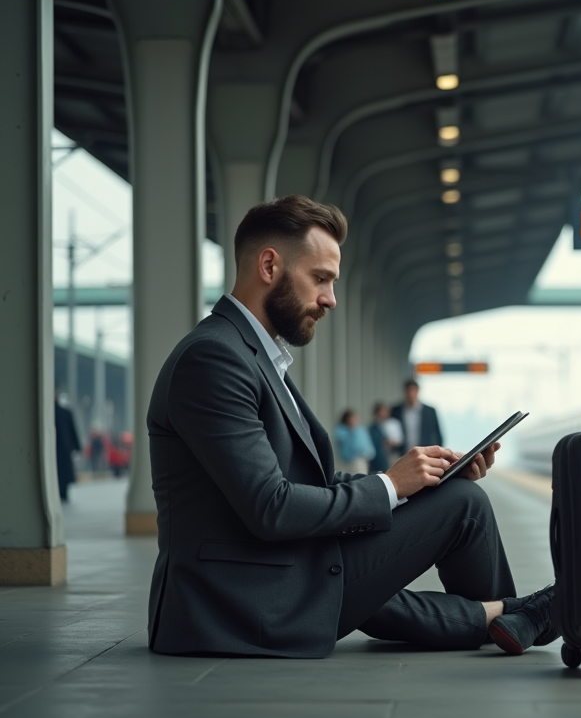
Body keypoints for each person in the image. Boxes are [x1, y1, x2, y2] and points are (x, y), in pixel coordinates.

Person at [144, 194, 556, 659]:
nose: (330, 299)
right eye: (320, 279)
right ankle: (520, 613)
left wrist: (411, 484)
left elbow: (308, 484)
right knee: (464, 504)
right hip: (236, 601)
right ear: (268, 266)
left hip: (270, 572)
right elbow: (271, 507)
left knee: (446, 499)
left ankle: (508, 616)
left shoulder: (250, 355)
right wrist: (388, 484)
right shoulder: (213, 359)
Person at [391, 379, 442, 453]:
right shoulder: (396, 410)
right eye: (408, 391)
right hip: (403, 454)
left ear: (417, 391)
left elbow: (437, 435)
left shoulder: (429, 411)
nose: (410, 394)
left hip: (425, 453)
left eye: (413, 390)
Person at [54, 395, 81, 503]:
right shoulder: (66, 413)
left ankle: (58, 492)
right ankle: (63, 493)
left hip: (54, 447)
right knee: (64, 471)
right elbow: (72, 430)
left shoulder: (47, 412)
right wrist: (77, 446)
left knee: (56, 471)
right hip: (65, 447)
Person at [333, 409, 374, 475]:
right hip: (346, 462)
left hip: (360, 460)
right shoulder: (341, 430)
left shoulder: (361, 430)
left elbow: (367, 445)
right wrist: (352, 431)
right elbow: (346, 446)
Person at [367, 403, 399, 474]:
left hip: (388, 461)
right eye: (382, 411)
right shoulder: (373, 429)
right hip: (377, 463)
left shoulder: (390, 425)